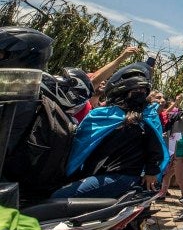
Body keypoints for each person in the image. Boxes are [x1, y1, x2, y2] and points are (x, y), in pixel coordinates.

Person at [53, 62, 168, 198]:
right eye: (136, 90)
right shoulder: (103, 114)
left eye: (143, 91)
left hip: (120, 177)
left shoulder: (145, 118)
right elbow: (80, 144)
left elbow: (155, 148)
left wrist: (151, 172)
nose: (140, 94)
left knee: (58, 197)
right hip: (98, 174)